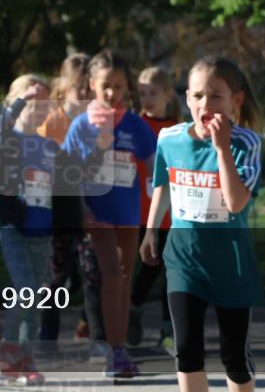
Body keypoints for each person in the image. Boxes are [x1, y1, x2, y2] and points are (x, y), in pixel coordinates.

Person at [141, 56, 264, 392]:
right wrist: (152, 230)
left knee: (234, 357)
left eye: (215, 96)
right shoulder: (170, 138)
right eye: (196, 96)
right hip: (185, 259)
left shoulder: (246, 144)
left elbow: (237, 202)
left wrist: (222, 149)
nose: (204, 104)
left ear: (235, 100)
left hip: (230, 261)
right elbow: (163, 184)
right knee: (186, 350)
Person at [62, 50, 156, 378]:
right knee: (112, 275)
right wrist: (82, 207)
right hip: (97, 214)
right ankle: (114, 351)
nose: (112, 93)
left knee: (125, 279)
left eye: (118, 86)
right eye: (106, 86)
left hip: (128, 214)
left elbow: (153, 159)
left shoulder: (135, 125)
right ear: (91, 85)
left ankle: (119, 348)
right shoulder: (80, 126)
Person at [36, 53, 107, 358]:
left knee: (93, 273)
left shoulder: (96, 122)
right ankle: (47, 336)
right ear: (64, 88)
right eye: (81, 89)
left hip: (88, 208)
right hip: (58, 210)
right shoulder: (53, 121)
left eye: (90, 89)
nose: (88, 95)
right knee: (56, 276)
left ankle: (97, 337)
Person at [0, 74, 55, 384]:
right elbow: (0, 127)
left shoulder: (48, 145)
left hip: (42, 229)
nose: (38, 107)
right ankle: (9, 349)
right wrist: (21, 99)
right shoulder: (8, 136)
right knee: (26, 288)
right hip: (14, 226)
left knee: (35, 296)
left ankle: (26, 358)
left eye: (44, 103)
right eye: (32, 102)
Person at [128, 67, 180, 351]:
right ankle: (133, 306)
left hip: (173, 214)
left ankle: (168, 329)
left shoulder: (177, 127)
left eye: (153, 93)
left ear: (167, 94)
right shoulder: (135, 126)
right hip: (141, 212)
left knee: (173, 270)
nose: (147, 99)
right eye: (142, 93)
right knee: (149, 266)